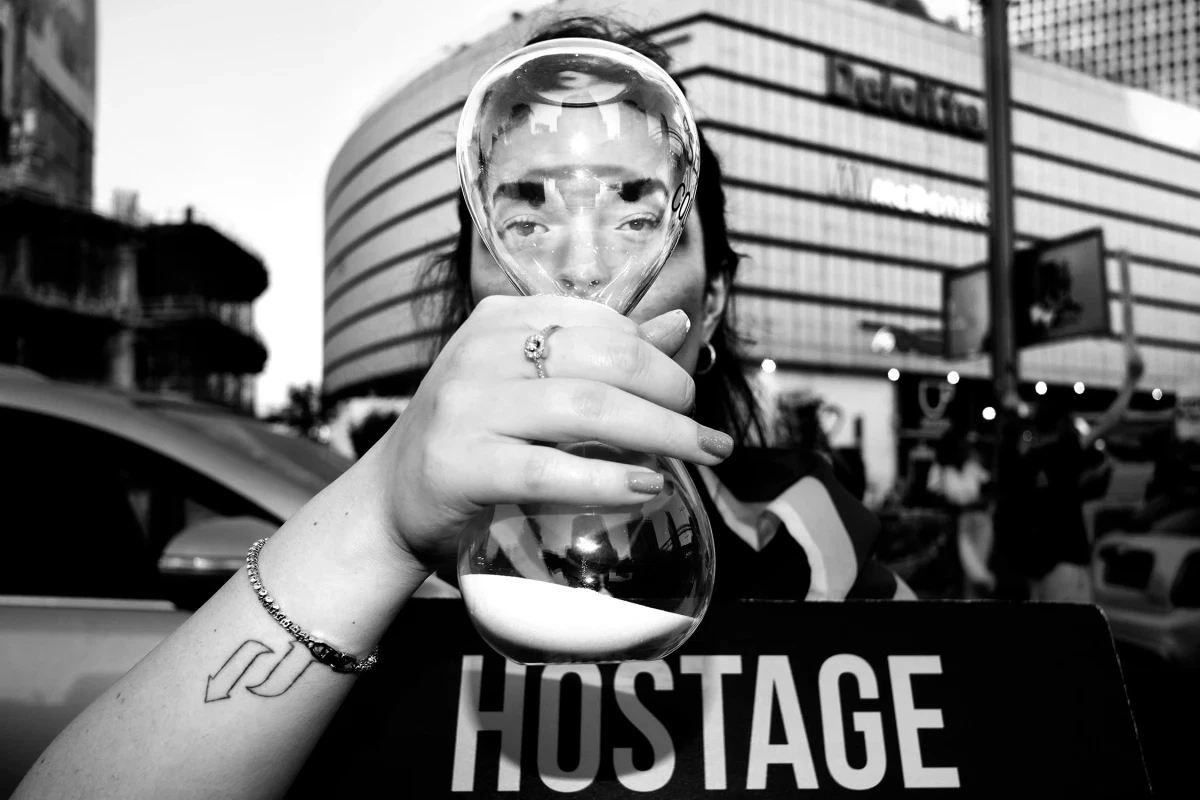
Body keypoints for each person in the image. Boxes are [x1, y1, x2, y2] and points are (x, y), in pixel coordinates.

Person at [13, 17, 907, 800]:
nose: (581, 269)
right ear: (476, 286)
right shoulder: (374, 565)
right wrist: (378, 524)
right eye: (525, 219)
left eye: (638, 217)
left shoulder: (803, 536)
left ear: (710, 304)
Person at [1014, 339, 1144, 603]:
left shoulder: (1028, 461)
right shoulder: (1062, 450)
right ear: (1062, 423)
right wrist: (1131, 383)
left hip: (1038, 565)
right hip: (1066, 561)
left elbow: (1057, 490)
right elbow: (1110, 420)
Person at [926, 430, 994, 598]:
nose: (962, 448)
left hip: (980, 518)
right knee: (968, 566)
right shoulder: (941, 469)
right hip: (958, 521)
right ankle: (983, 586)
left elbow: (989, 487)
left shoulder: (972, 466)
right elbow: (933, 495)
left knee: (977, 562)